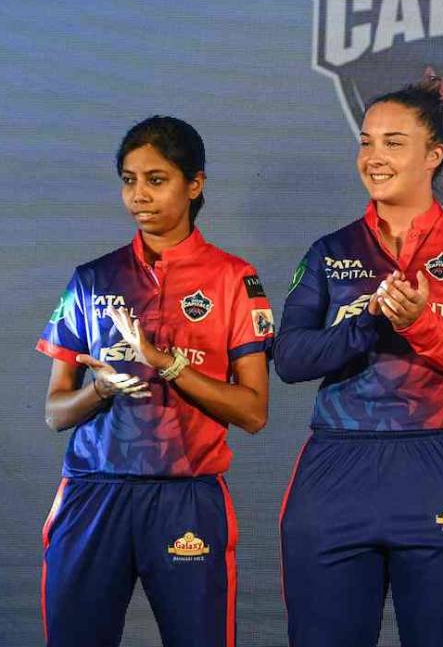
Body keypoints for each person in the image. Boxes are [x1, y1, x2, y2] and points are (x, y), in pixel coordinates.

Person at [275, 78, 443, 646]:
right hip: (337, 465)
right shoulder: (330, 250)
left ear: (434, 155)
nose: (374, 158)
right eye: (366, 142)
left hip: (442, 462)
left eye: (392, 143)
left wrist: (419, 323)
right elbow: (288, 357)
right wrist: (370, 323)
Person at [37, 116, 272, 646]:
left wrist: (167, 364)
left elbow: (254, 412)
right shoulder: (93, 278)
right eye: (128, 179)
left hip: (186, 496)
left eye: (156, 179)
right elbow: (54, 413)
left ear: (195, 184)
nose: (138, 194)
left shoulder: (234, 278)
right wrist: (99, 389)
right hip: (93, 494)